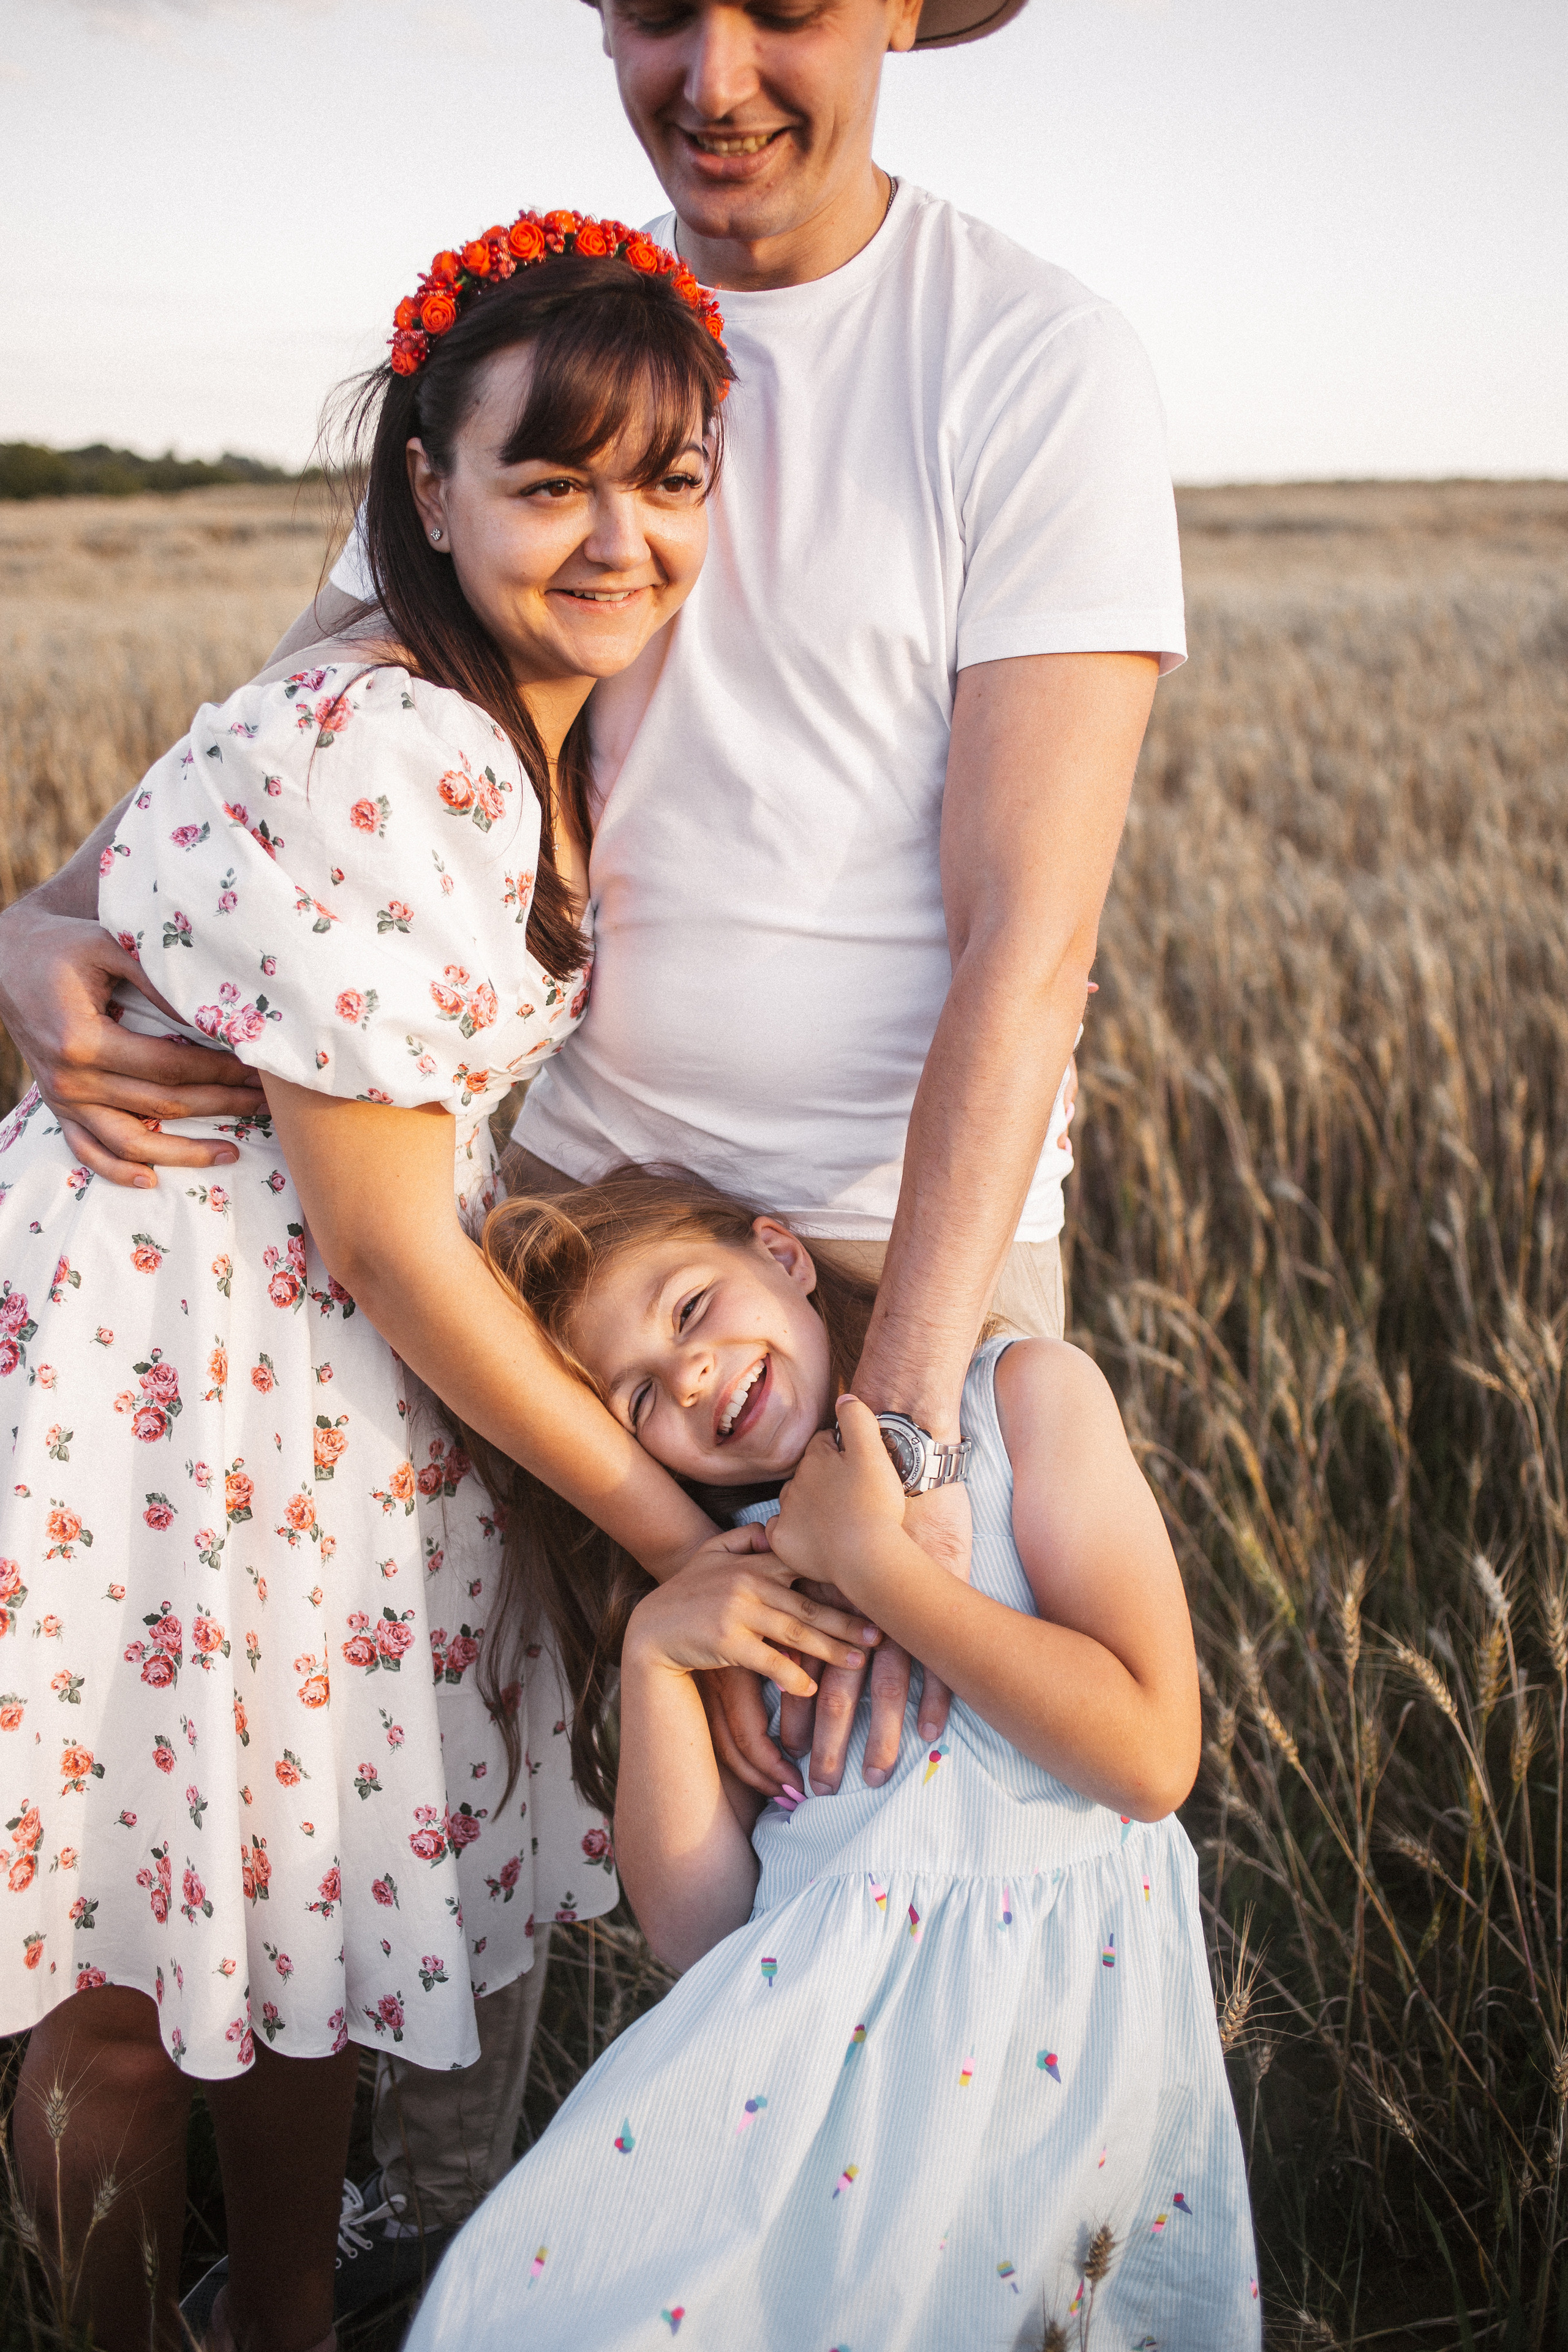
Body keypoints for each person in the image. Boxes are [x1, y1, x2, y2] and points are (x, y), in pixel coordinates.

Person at [0, 0, 1187, 2267]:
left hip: (875, 1255)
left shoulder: (1030, 356)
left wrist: (902, 1433)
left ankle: (895, 2279)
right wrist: (39, 917)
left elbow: (1034, 938)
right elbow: (297, 724)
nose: (717, 72)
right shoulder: (570, 350)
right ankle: (489, 2265)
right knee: (479, 1803)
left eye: (789, 8)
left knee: (889, 1846)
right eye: (659, 8)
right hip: (538, 1228)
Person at [0, 219, 748, 2352]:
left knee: (298, 1906)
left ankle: (295, 2321)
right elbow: (381, 1230)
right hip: (190, 1390)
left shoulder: (520, 702)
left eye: (668, 480)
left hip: (308, 1401)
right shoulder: (392, 744)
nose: (620, 535)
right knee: (136, 1975)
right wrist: (660, 1538)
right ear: (428, 488)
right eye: (550, 479)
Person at [402, 1164, 1259, 2348]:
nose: (690, 1374)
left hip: (1049, 2047)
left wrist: (880, 1566)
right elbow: (703, 1935)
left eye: (692, 1309)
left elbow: (1154, 1758)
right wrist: (657, 1663)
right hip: (809, 2067)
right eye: (638, 1397)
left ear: (784, 1254)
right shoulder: (725, 1579)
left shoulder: (1027, 1399)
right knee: (519, 2307)